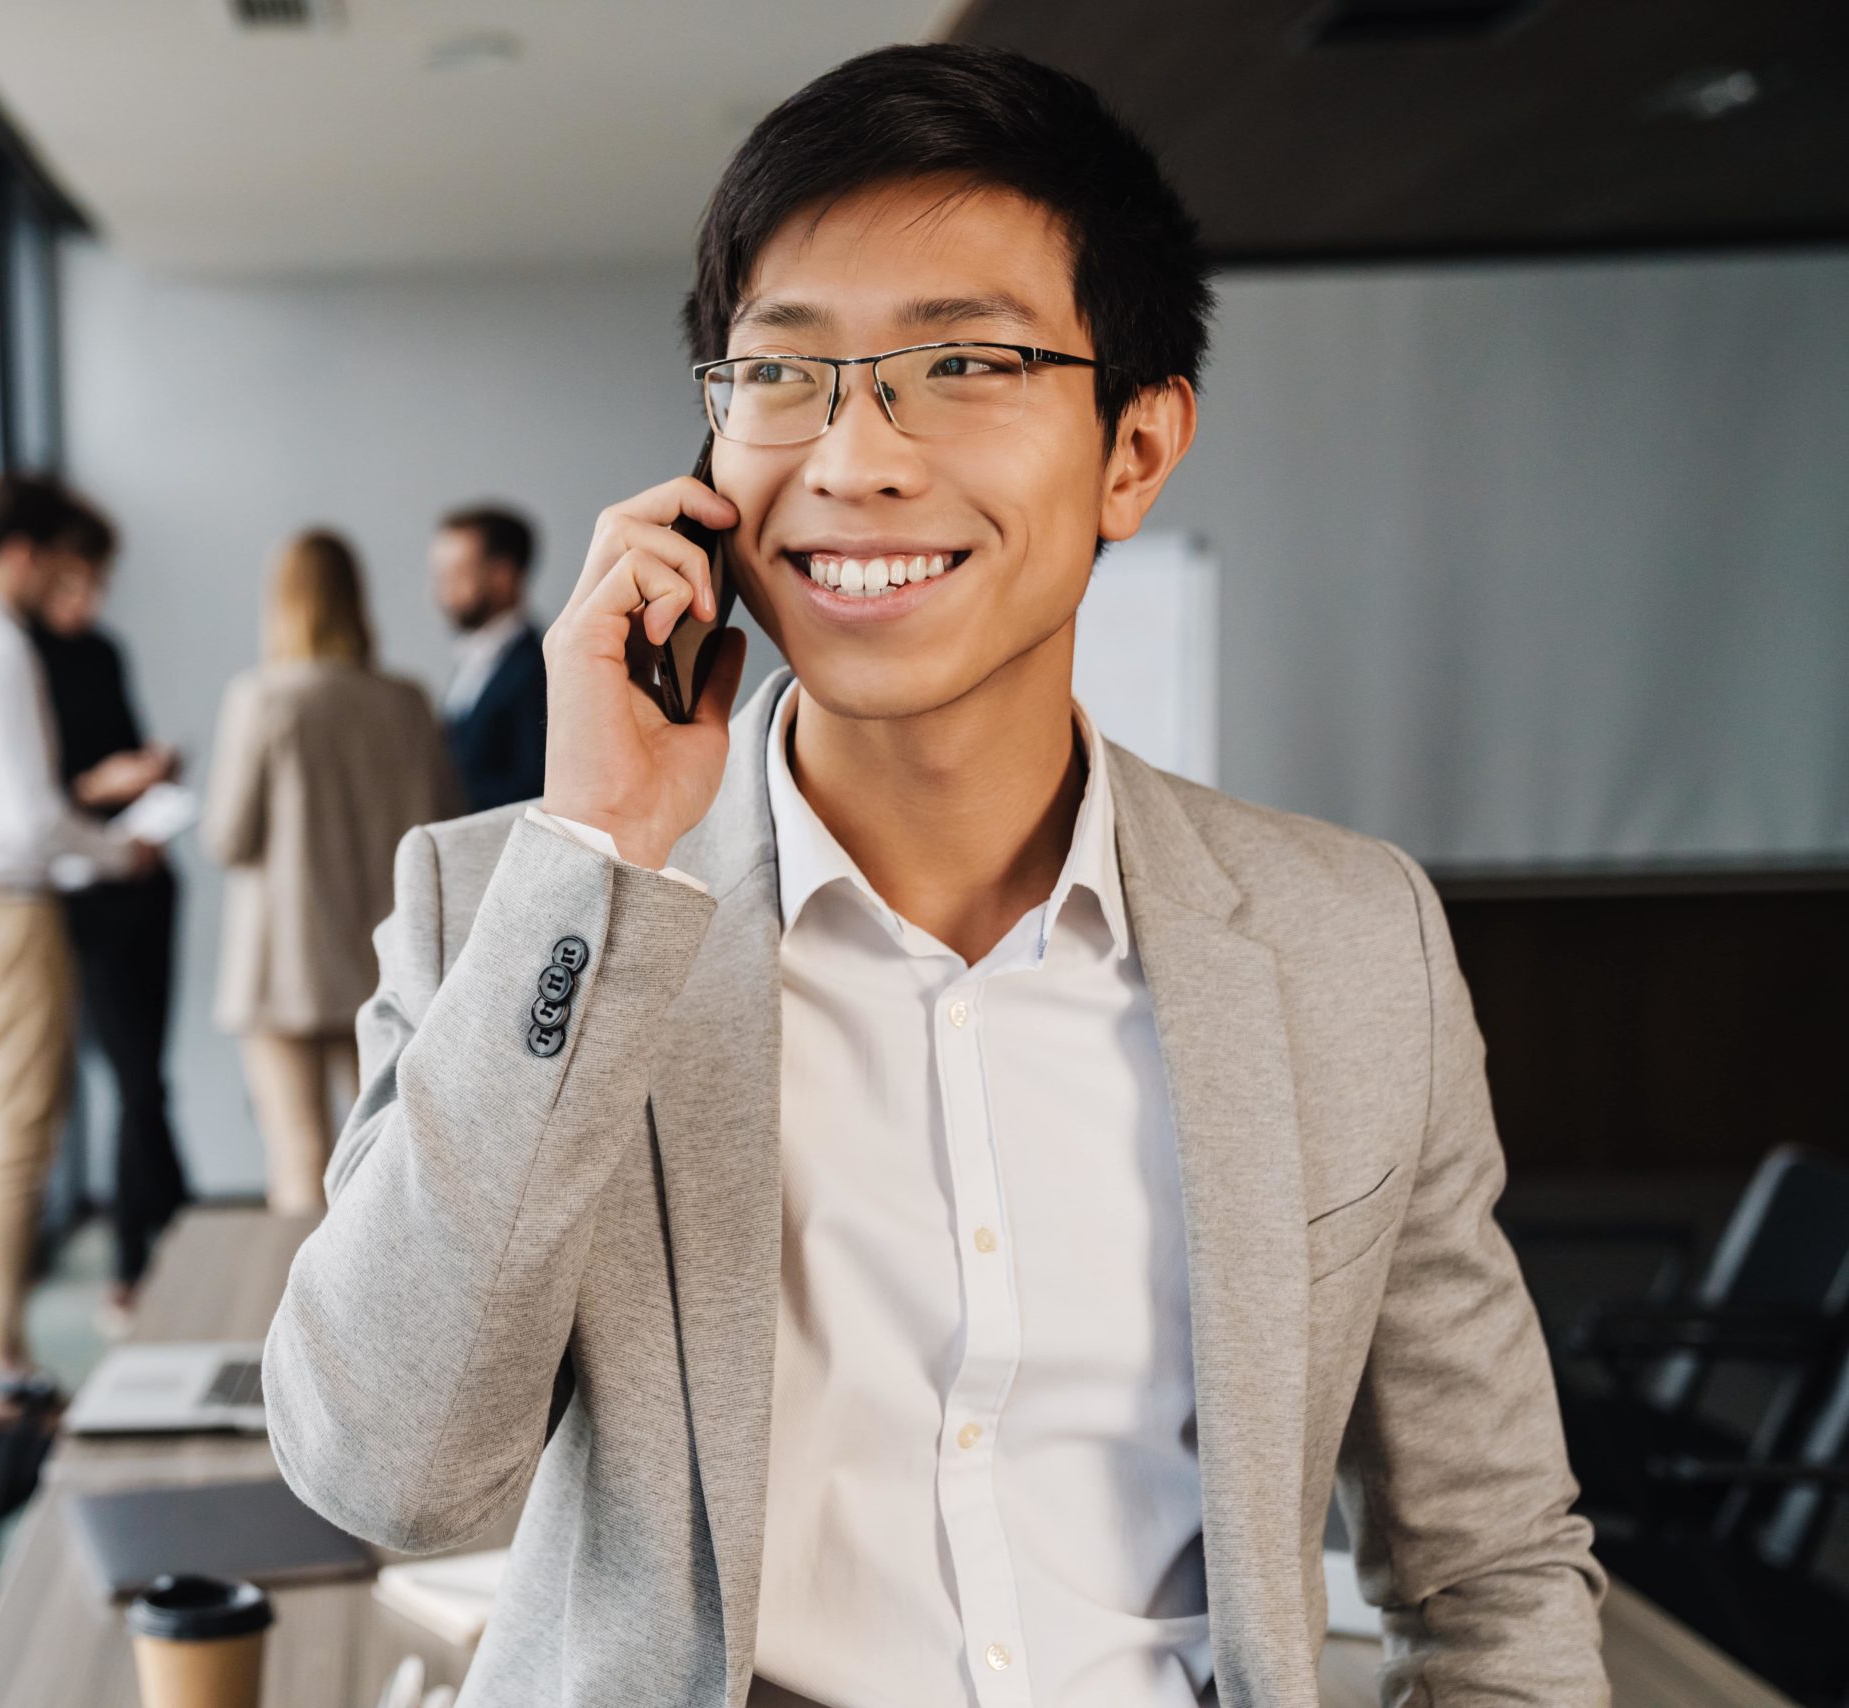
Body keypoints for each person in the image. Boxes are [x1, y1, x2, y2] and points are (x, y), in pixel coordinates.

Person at [265, 42, 1605, 1708]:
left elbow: (1489, 1566)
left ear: (1135, 447)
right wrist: (603, 850)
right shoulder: (520, 910)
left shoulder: (1348, 941)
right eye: (784, 373)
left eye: (963, 362)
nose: (854, 458)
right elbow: (388, 1472)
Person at [0, 472, 154, 1378]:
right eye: (61, 566)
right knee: (19, 1126)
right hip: (9, 906)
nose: (65, 588)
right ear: (23, 551)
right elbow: (30, 820)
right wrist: (118, 851)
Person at [202, 529, 461, 1214]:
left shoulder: (262, 699)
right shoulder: (406, 701)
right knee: (386, 1154)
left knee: (297, 1155)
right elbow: (448, 823)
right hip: (385, 958)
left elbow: (228, 838)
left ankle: (297, 1322)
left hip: (282, 960)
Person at [29, 547, 193, 1321]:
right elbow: (42, 799)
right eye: (74, 583)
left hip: (144, 879)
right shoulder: (20, 661)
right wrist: (105, 785)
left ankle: (168, 1239)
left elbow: (121, 747)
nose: (89, 598)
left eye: (97, 583)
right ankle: (148, 1251)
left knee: (146, 1076)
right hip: (85, 890)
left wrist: (149, 771)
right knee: (133, 1078)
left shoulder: (102, 651)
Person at [431, 504, 547, 812]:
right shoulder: (470, 659)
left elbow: (534, 788)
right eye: (440, 575)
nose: (442, 591)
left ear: (503, 575)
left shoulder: (538, 668)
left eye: (456, 573)